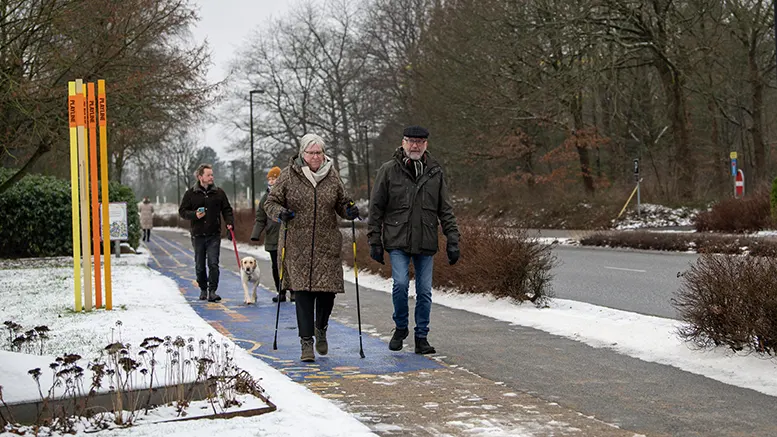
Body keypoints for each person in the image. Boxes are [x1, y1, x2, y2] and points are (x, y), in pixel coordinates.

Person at [264, 133, 359, 362]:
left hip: (327, 244)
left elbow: (342, 203)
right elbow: (270, 202)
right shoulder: (288, 175)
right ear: (302, 153)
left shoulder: (332, 176)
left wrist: (350, 210)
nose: (315, 157)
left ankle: (321, 328)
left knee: (327, 294)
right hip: (297, 245)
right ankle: (306, 343)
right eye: (311, 152)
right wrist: (280, 213)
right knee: (303, 295)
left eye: (319, 152)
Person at [368, 125, 460, 355]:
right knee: (400, 284)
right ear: (403, 142)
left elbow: (445, 209)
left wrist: (453, 239)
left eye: (419, 142)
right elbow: (376, 208)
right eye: (411, 141)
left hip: (426, 240)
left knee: (424, 291)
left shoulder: (435, 172)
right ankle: (400, 328)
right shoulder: (388, 170)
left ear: (426, 144)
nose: (415, 146)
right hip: (397, 238)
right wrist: (374, 240)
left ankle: (421, 336)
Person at [178, 164, 235, 302]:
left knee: (213, 263)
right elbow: (182, 211)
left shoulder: (219, 193)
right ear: (200, 177)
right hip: (197, 235)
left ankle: (212, 291)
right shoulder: (190, 193)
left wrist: (229, 223)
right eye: (208, 175)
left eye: (212, 175)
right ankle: (203, 288)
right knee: (199, 265)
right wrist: (194, 215)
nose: (211, 177)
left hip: (214, 234)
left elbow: (227, 209)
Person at [250, 166, 290, 302]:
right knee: (276, 266)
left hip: (288, 235)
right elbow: (260, 217)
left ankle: (294, 291)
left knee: (289, 265)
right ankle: (281, 291)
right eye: (270, 179)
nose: (272, 181)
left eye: (275, 178)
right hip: (272, 236)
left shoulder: (287, 194)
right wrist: (256, 234)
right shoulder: (265, 198)